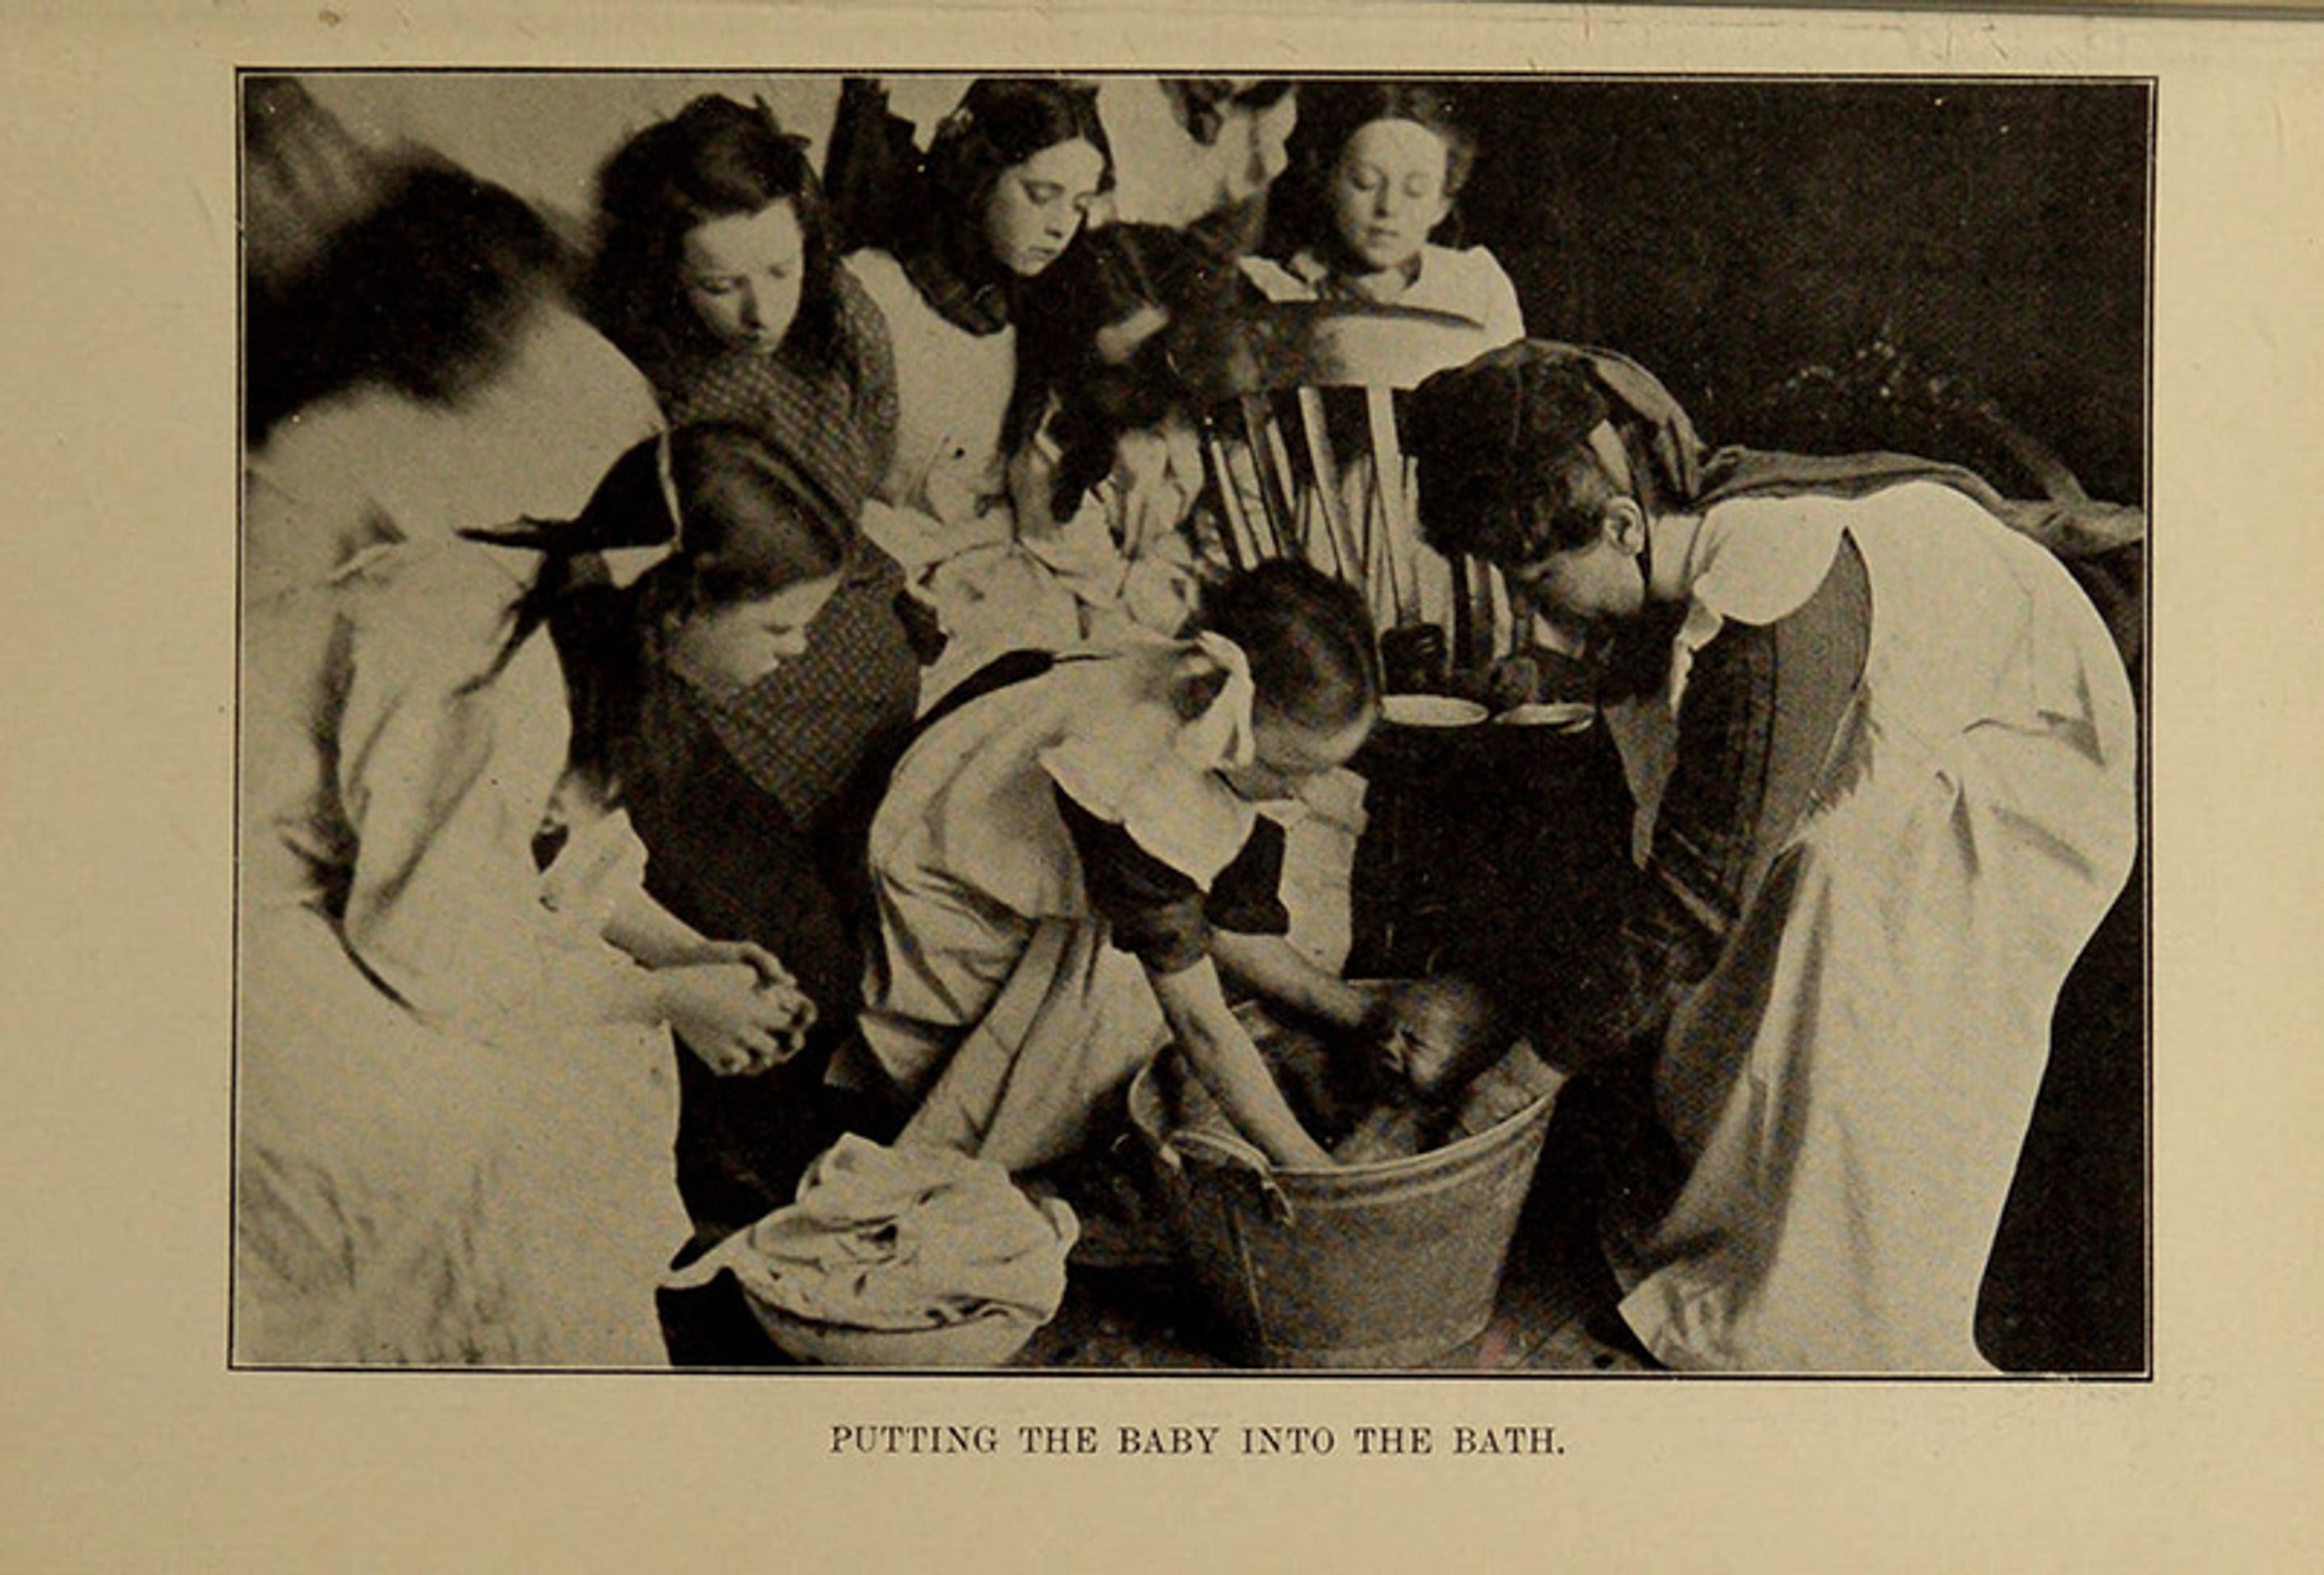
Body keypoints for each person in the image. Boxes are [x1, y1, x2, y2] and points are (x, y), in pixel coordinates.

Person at [1402, 341, 2139, 1372]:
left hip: (2029, 743)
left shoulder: (1771, 600)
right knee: (1759, 892)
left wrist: (1521, 1076)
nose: (1535, 610)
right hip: (1923, 698)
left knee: (1833, 902)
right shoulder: (1681, 536)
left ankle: (1820, 1292)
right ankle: (1737, 1213)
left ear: (1622, 526)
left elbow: (1694, 896)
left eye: (1538, 580)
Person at [236, 169, 815, 1365]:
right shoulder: (489, 657)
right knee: (485, 1130)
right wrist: (667, 998)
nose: (796, 652)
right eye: (778, 626)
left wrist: (682, 954)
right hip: (228, 884)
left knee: (601, 1057)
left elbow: (553, 847)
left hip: (368, 871)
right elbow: (427, 941)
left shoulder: (585, 621)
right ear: (683, 605)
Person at [837, 560, 1392, 1174]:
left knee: (1204, 935)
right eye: (1291, 771)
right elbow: (1201, 1026)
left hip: (1039, 831)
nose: (1307, 792)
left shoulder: (1219, 720)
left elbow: (1230, 911)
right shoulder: (1139, 783)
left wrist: (1361, 1013)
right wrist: (1316, 1170)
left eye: (1322, 770)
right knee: (1119, 994)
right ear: (1220, 707)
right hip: (944, 877)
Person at [839, 77, 1115, 698]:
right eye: (1041, 195)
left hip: (991, 583)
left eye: (1078, 205)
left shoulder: (1042, 315)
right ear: (979, 178)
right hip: (877, 577)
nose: (1060, 227)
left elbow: (1047, 504)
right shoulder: (871, 295)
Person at [1242, 81, 1525, 351]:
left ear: (1442, 205)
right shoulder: (1267, 288)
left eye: (1415, 191)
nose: (1389, 208)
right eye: (1366, 183)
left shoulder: (1477, 288)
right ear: (1329, 183)